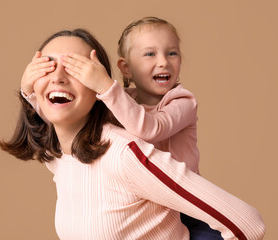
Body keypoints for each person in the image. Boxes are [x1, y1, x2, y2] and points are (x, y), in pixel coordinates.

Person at [0, 28, 265, 239]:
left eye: (74, 68)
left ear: (98, 91)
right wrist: (28, 92)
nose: (57, 77)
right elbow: (44, 116)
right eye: (47, 66)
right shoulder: (57, 155)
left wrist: (107, 87)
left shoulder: (122, 155)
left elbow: (248, 223)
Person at [53, 17, 220, 239]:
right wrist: (30, 93)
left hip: (186, 205)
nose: (163, 62)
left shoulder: (182, 101)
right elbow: (68, 116)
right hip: (149, 204)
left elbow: (151, 129)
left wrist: (106, 87)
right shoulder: (121, 101)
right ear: (126, 68)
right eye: (150, 54)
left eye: (172, 53)